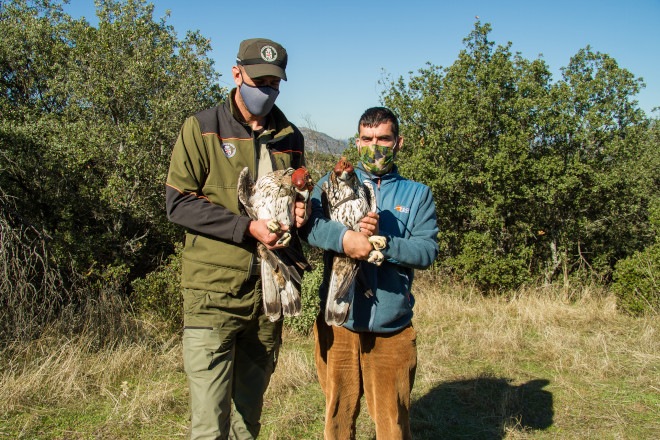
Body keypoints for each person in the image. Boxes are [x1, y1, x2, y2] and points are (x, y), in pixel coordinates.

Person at [165, 38, 308, 440]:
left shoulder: (290, 136)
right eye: (257, 79)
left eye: (274, 82)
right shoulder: (202, 128)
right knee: (210, 425)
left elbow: (298, 196)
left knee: (249, 420)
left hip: (269, 294)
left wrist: (302, 212)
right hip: (213, 293)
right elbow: (178, 203)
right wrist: (245, 227)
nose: (265, 89)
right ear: (236, 73)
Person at [300, 107, 439, 439]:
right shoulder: (330, 183)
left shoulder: (417, 194)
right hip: (339, 321)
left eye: (383, 139)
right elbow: (309, 226)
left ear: (398, 143)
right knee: (337, 417)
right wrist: (345, 239)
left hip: (390, 326)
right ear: (357, 140)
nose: (373, 146)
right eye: (366, 139)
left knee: (392, 423)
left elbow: (426, 251)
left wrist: (383, 243)